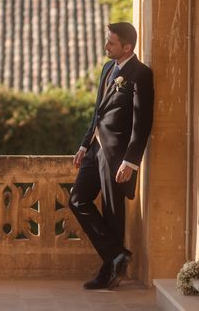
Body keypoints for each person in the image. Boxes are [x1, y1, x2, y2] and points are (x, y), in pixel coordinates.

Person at [69, 22, 154, 290]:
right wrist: (84, 145)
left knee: (113, 213)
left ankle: (110, 270)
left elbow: (142, 123)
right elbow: (98, 112)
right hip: (95, 149)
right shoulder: (108, 69)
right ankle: (117, 254)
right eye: (107, 41)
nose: (106, 46)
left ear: (127, 47)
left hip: (117, 155)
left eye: (111, 43)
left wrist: (131, 161)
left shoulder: (141, 74)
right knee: (78, 199)